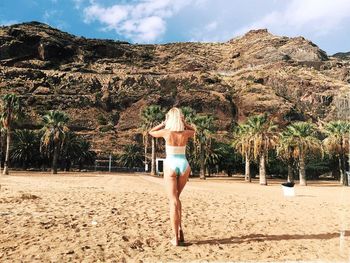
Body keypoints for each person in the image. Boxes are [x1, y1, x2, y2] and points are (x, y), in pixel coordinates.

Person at [149, 107, 195, 246]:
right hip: (184, 165)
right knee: (176, 198)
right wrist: (185, 122)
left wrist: (163, 123)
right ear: (180, 118)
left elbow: (151, 132)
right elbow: (194, 131)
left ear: (170, 118)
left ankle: (175, 237)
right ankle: (180, 229)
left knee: (173, 200)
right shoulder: (186, 133)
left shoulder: (166, 132)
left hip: (170, 164)